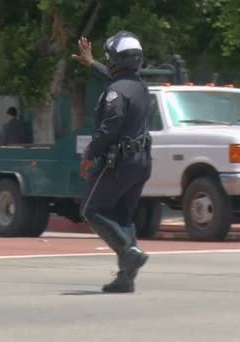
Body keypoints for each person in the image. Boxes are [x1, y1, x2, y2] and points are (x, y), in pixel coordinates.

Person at [73, 31, 152, 293]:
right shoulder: (138, 86)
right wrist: (91, 63)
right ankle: (125, 277)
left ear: (116, 61)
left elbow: (109, 129)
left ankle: (128, 252)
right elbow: (115, 79)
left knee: (91, 210)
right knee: (121, 215)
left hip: (119, 161)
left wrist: (88, 155)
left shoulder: (115, 93)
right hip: (141, 161)